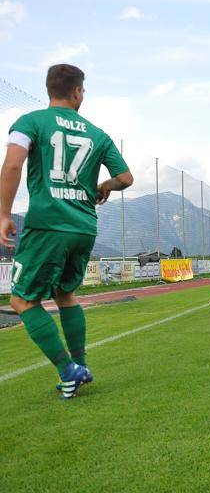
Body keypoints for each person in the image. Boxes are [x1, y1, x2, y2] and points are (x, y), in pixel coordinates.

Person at [0, 64, 134, 399]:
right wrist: (105, 184)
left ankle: (67, 369)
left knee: (22, 299)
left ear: (50, 89)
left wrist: (3, 213)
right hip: (84, 226)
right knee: (66, 295)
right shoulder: (97, 134)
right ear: (76, 92)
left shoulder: (30, 122)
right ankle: (80, 365)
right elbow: (127, 178)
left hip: (48, 224)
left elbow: (13, 164)